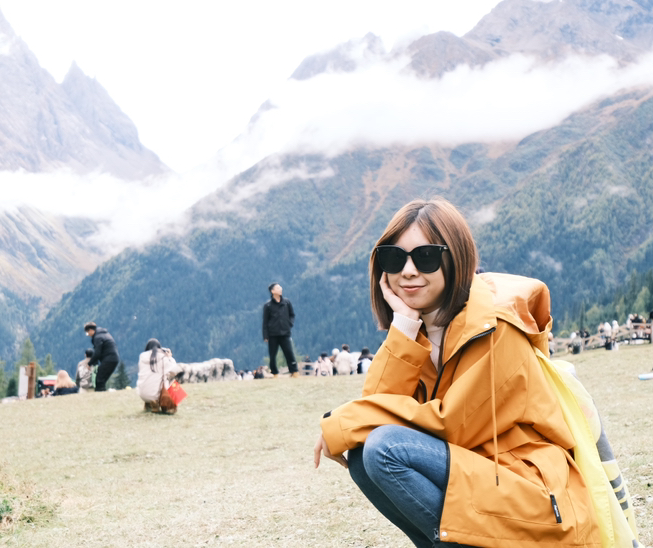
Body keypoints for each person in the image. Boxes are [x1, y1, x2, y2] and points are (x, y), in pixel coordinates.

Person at [313, 198, 613, 547]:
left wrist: (346, 422)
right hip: (481, 481)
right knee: (364, 454)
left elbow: (452, 425)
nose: (408, 271)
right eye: (394, 258)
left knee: (383, 448)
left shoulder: (495, 326)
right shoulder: (419, 329)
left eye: (425, 257)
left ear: (454, 258)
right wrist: (403, 327)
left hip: (533, 492)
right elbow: (378, 405)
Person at [262, 283, 299, 378]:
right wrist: (265, 336)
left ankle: (294, 372)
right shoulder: (268, 305)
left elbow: (292, 315)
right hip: (273, 334)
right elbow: (265, 322)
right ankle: (275, 373)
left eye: (280, 287)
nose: (281, 289)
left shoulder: (286, 302)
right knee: (272, 355)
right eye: (278, 288)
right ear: (272, 291)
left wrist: (289, 324)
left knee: (289, 353)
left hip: (285, 333)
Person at [136, 338, 182, 413]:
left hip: (142, 394)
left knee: (150, 380)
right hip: (156, 394)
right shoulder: (163, 358)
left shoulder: (142, 357)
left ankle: (149, 404)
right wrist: (170, 357)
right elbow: (175, 371)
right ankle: (166, 406)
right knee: (174, 384)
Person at [84, 322, 120, 391]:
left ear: (91, 330)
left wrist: (89, 363)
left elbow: (97, 353)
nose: (88, 334)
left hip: (109, 359)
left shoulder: (97, 337)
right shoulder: (104, 334)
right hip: (113, 358)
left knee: (99, 380)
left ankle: (100, 394)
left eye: (87, 332)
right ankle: (102, 393)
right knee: (102, 379)